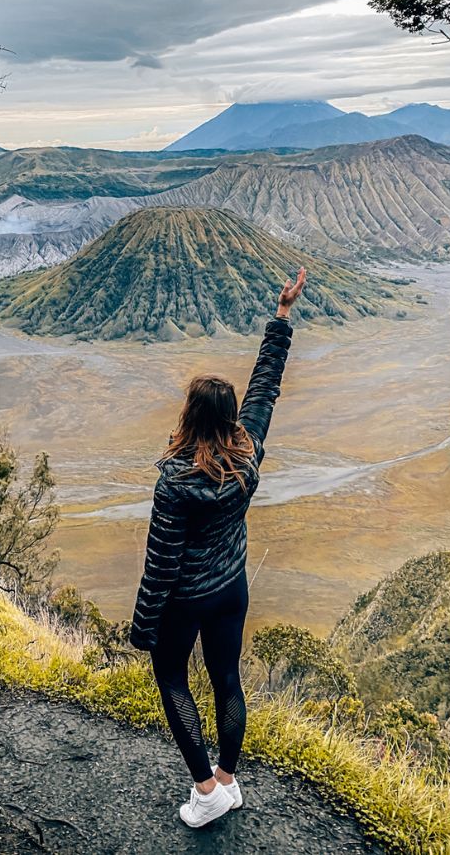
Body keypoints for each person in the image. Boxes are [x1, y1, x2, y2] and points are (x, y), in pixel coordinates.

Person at [128, 266, 307, 829]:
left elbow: (161, 564)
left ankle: (205, 792)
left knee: (174, 681)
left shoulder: (176, 482)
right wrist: (281, 316)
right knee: (226, 679)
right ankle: (227, 781)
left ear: (187, 416)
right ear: (229, 419)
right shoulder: (247, 454)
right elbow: (265, 385)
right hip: (231, 587)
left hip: (185, 598)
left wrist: (142, 625)